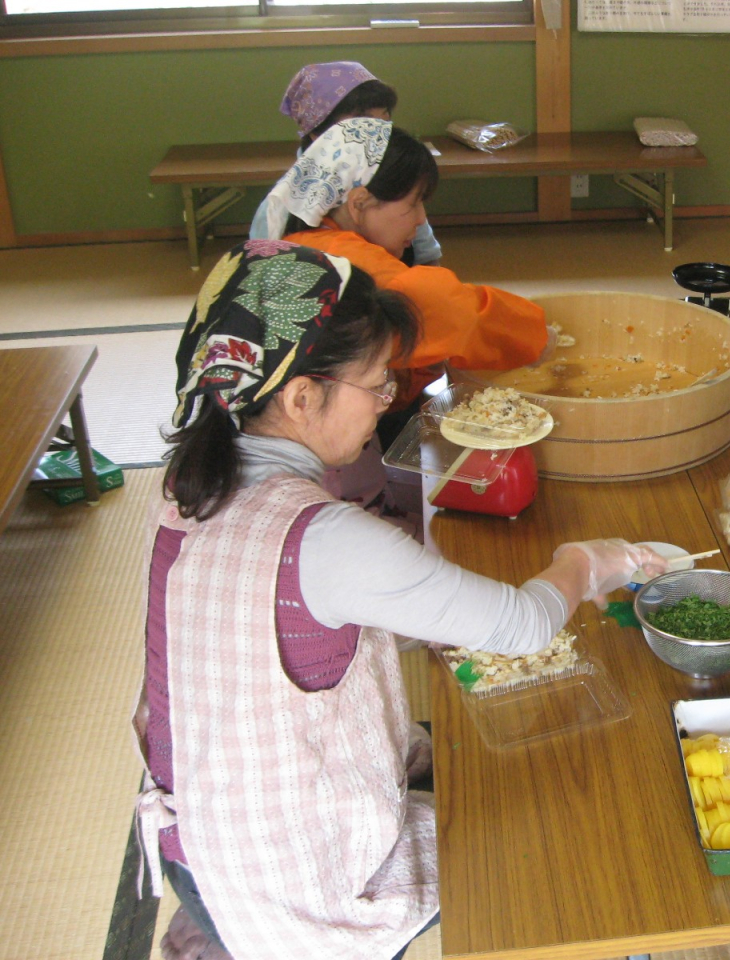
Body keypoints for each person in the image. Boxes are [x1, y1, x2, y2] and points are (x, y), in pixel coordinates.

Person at [133, 241, 665, 960]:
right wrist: (587, 562)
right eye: (380, 385)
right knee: (574, 856)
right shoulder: (323, 538)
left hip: (196, 819)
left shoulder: (188, 484)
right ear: (300, 397)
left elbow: (277, 627)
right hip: (286, 865)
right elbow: (523, 623)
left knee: (449, 743)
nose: (388, 401)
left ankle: (215, 924)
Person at [261, 117, 550, 419]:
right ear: (359, 203)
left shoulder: (304, 239)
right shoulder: (343, 258)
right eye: (413, 204)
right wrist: (533, 336)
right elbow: (450, 309)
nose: (421, 218)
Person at [249, 60, 444, 266]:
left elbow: (427, 258)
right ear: (317, 132)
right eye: (362, 125)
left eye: (385, 123)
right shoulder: (281, 208)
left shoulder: (395, 182)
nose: (376, 135)